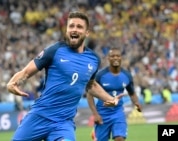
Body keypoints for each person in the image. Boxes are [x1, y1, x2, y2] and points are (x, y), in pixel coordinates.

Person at [7, 11, 125, 141]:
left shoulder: (94, 59)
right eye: (71, 26)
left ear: (87, 33)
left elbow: (89, 84)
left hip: (63, 123)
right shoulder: (55, 50)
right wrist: (13, 82)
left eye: (79, 27)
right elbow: (26, 72)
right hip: (39, 116)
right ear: (67, 30)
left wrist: (110, 98)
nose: (74, 29)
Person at [87, 47, 142, 141]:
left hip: (118, 112)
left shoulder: (127, 75)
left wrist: (136, 103)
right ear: (108, 58)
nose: (115, 58)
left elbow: (132, 93)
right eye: (112, 56)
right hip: (102, 113)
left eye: (118, 56)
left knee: (120, 138)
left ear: (121, 58)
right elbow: (89, 94)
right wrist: (95, 114)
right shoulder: (100, 75)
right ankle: (95, 133)